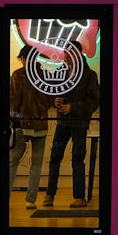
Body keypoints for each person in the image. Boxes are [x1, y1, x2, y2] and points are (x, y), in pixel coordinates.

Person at [43, 40, 100, 208]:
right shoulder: (63, 71)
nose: (65, 56)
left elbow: (94, 101)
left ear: (77, 54)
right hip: (63, 121)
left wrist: (72, 107)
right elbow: (51, 91)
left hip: (79, 123)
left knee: (77, 158)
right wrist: (55, 100)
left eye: (68, 53)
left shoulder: (90, 75)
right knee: (55, 157)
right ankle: (50, 194)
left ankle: (79, 197)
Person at [8, 45, 52, 210]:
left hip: (22, 123)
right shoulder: (45, 74)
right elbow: (49, 101)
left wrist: (13, 117)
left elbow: (14, 100)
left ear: (24, 58)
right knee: (36, 164)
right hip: (41, 124)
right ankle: (31, 200)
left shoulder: (18, 75)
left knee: (12, 162)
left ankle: (3, 198)